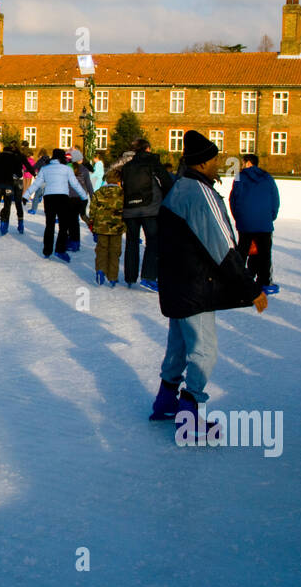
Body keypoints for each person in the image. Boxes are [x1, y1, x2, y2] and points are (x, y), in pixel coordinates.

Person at [150, 130, 267, 435]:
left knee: (178, 346)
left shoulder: (181, 188)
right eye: (215, 158)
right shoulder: (199, 194)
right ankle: (189, 420)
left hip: (178, 282)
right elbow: (223, 246)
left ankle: (165, 402)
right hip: (195, 285)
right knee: (204, 350)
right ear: (203, 163)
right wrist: (251, 288)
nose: (219, 162)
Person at [108, 138, 174, 291]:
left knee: (131, 242)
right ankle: (148, 276)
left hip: (130, 209)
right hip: (150, 208)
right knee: (152, 241)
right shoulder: (153, 162)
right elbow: (167, 183)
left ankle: (130, 277)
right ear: (148, 149)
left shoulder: (128, 166)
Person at [22, 149, 89, 262]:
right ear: (62, 157)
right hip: (62, 198)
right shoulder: (67, 168)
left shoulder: (45, 168)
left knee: (49, 225)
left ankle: (47, 250)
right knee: (63, 226)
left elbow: (37, 183)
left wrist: (26, 195)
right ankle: (60, 250)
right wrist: (84, 197)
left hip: (49, 198)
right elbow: (75, 184)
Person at [228, 153, 281, 294]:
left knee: (242, 252)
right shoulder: (267, 177)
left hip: (245, 222)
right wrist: (271, 216)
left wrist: (238, 217)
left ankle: (239, 280)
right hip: (264, 222)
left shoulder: (239, 177)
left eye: (243, 162)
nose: (242, 165)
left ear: (249, 163)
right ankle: (264, 281)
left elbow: (233, 200)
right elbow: (275, 199)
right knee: (265, 253)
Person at [88, 167, 124, 286]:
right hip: (117, 227)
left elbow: (92, 210)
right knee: (115, 252)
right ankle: (113, 276)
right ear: (119, 181)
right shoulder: (122, 193)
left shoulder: (99, 192)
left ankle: (100, 270)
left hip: (101, 227)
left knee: (101, 250)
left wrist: (92, 223)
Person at [0, 141, 27, 235]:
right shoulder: (13, 158)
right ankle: (4, 227)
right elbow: (19, 174)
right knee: (7, 205)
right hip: (8, 185)